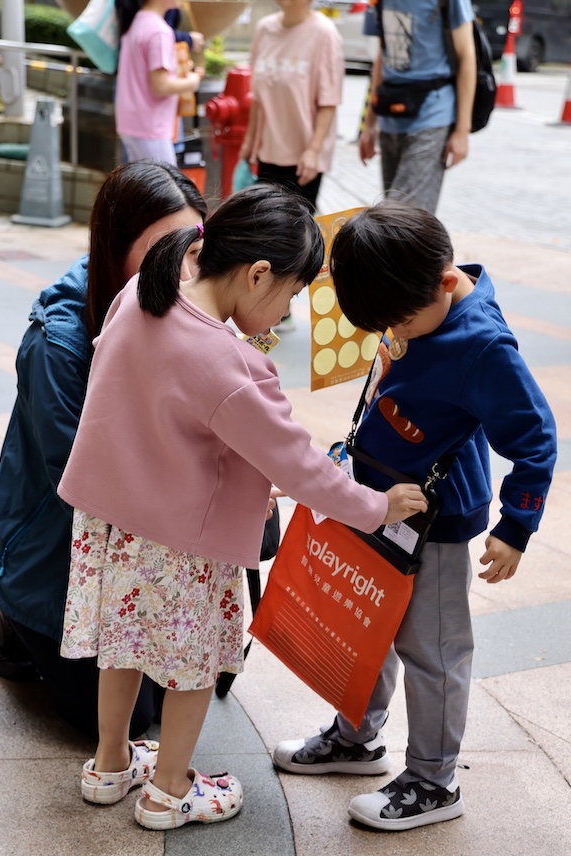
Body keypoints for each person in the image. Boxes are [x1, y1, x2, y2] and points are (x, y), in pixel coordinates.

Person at [55, 183, 428, 830]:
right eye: (288, 296)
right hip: (182, 548)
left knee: (122, 649)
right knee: (191, 666)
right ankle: (170, 791)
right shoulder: (228, 366)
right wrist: (378, 506)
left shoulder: (147, 287)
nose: (284, 314)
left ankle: (109, 765)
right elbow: (302, 468)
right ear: (257, 274)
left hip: (111, 525)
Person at [273, 201, 557, 831]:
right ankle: (357, 738)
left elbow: (536, 437)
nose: (392, 333)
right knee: (366, 627)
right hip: (377, 499)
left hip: (434, 520)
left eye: (399, 322)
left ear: (447, 283)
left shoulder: (483, 346)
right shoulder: (409, 294)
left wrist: (516, 528)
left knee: (431, 651)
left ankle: (435, 779)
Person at [0, 161, 207, 739]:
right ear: (114, 247)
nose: (183, 269)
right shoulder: (59, 345)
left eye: (194, 246)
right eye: (161, 248)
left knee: (168, 682)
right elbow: (84, 483)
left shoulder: (177, 308)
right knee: (131, 721)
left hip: (121, 554)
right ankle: (15, 620)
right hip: (50, 556)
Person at [239, 0, 344, 331]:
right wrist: (250, 139)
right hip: (270, 147)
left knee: (295, 234)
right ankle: (266, 307)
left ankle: (281, 305)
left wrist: (313, 150)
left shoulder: (324, 33)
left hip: (303, 154)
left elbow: (329, 101)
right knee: (268, 230)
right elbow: (258, 96)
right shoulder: (265, 29)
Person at [358, 0, 477, 214]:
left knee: (400, 216)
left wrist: (462, 130)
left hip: (432, 112)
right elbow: (382, 56)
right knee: (402, 218)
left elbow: (466, 55)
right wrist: (369, 124)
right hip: (390, 114)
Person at [114, 0, 203, 164]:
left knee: (140, 186)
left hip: (132, 123)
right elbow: (161, 86)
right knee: (165, 185)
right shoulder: (159, 31)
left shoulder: (137, 21)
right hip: (150, 126)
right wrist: (193, 81)